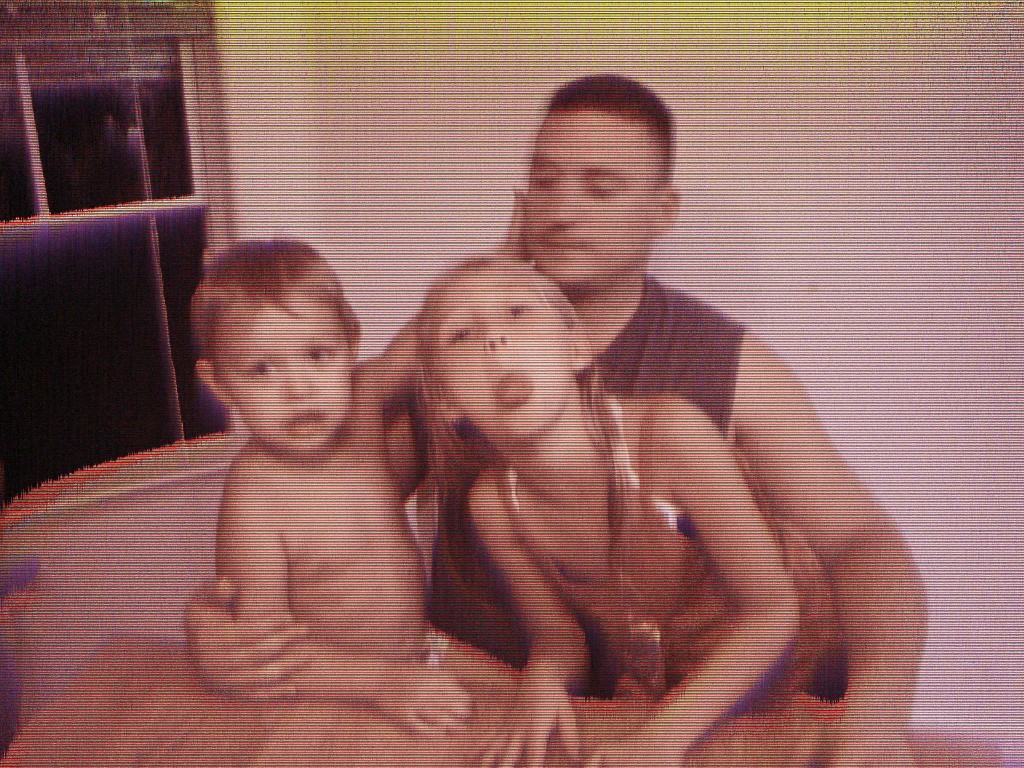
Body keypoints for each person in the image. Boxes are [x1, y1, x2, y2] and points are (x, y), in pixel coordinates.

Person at [187, 76, 927, 766]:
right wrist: (220, 623)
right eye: (544, 182)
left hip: (674, 703)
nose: (563, 210)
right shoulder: (449, 354)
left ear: (663, 210)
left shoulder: (723, 366)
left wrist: (881, 704)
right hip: (475, 698)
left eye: (601, 188)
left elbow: (861, 542)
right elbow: (325, 513)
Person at [0, 241, 514, 767]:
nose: (299, 388)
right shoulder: (256, 499)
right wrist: (383, 683)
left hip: (418, 648)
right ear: (220, 382)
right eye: (262, 369)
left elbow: (435, 328)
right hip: (331, 684)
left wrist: (509, 263)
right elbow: (265, 653)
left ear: (351, 344)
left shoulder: (361, 404)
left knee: (532, 704)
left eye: (318, 355)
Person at [416, 256, 832, 767]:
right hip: (663, 682)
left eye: (517, 313)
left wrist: (662, 740)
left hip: (784, 664)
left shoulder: (668, 435)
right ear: (447, 405)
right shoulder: (496, 504)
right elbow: (560, 641)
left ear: (576, 347)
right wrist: (542, 681)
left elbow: (774, 611)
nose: (494, 341)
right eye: (461, 335)